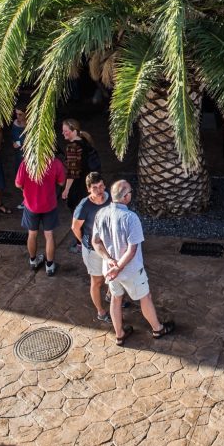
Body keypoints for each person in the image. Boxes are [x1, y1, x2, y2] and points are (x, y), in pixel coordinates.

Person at [91, 180, 175, 346]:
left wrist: (110, 262)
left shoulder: (100, 214)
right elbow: (132, 250)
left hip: (110, 270)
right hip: (130, 270)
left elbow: (96, 242)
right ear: (125, 197)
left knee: (116, 298)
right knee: (145, 297)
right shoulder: (131, 218)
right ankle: (157, 329)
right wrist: (118, 267)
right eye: (130, 192)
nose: (131, 194)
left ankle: (119, 334)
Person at [15, 153, 67, 276]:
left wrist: (26, 189)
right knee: (49, 235)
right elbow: (61, 182)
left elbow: (17, 184)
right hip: (49, 205)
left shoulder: (26, 163)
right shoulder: (55, 162)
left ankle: (33, 261)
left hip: (30, 206)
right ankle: (50, 266)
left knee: (32, 234)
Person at [72, 172, 112, 321]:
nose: (99, 190)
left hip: (110, 247)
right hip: (92, 250)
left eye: (101, 186)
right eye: (95, 187)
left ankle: (110, 296)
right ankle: (101, 312)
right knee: (97, 281)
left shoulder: (110, 199)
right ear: (89, 189)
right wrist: (85, 242)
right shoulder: (84, 206)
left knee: (112, 276)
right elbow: (75, 227)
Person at [61, 118, 101, 211]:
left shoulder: (72, 147)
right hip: (91, 184)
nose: (63, 133)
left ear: (74, 131)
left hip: (78, 188)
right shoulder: (86, 142)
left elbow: (72, 171)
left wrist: (66, 190)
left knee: (79, 215)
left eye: (65, 131)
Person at [9, 106, 28, 208]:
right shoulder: (15, 124)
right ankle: (27, 199)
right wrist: (14, 143)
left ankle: (28, 200)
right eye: (16, 114)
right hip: (19, 156)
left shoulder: (31, 125)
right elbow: (12, 137)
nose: (18, 116)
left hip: (28, 156)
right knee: (20, 179)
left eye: (20, 114)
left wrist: (20, 142)